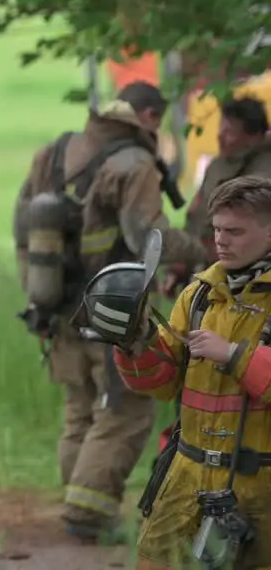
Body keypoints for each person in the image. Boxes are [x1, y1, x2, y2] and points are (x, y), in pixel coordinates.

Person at [13, 81, 211, 541]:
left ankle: (79, 501)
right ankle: (90, 516)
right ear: (146, 117)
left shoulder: (55, 152)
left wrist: (34, 291)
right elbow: (147, 234)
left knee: (80, 406)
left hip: (55, 305)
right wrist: (201, 250)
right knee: (125, 409)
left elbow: (22, 224)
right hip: (112, 310)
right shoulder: (135, 163)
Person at [114, 175, 271, 569]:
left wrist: (232, 354)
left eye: (235, 231)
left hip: (261, 488)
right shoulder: (199, 294)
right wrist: (137, 341)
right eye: (217, 229)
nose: (221, 240)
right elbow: (164, 384)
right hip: (185, 476)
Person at [181, 98, 271, 264]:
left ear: (253, 137)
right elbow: (197, 214)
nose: (220, 137)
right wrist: (180, 265)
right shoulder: (217, 166)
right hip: (208, 264)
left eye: (229, 132)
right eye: (220, 129)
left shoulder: (265, 171)